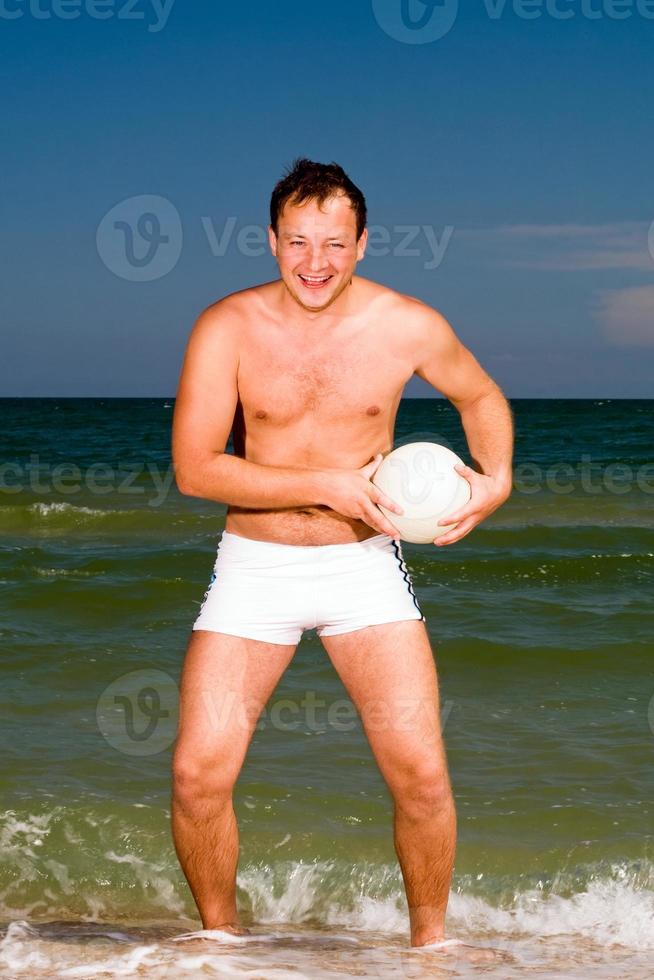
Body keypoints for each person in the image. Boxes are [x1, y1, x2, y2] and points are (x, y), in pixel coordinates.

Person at [170, 158, 513, 953]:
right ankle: (222, 948)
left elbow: (480, 396)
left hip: (363, 570)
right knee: (197, 777)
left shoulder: (408, 325)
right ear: (270, 241)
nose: (314, 262)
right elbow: (195, 467)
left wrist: (495, 481)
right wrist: (325, 481)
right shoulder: (227, 327)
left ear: (363, 243)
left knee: (422, 777)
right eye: (297, 242)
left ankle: (432, 950)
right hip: (255, 567)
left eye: (333, 242)